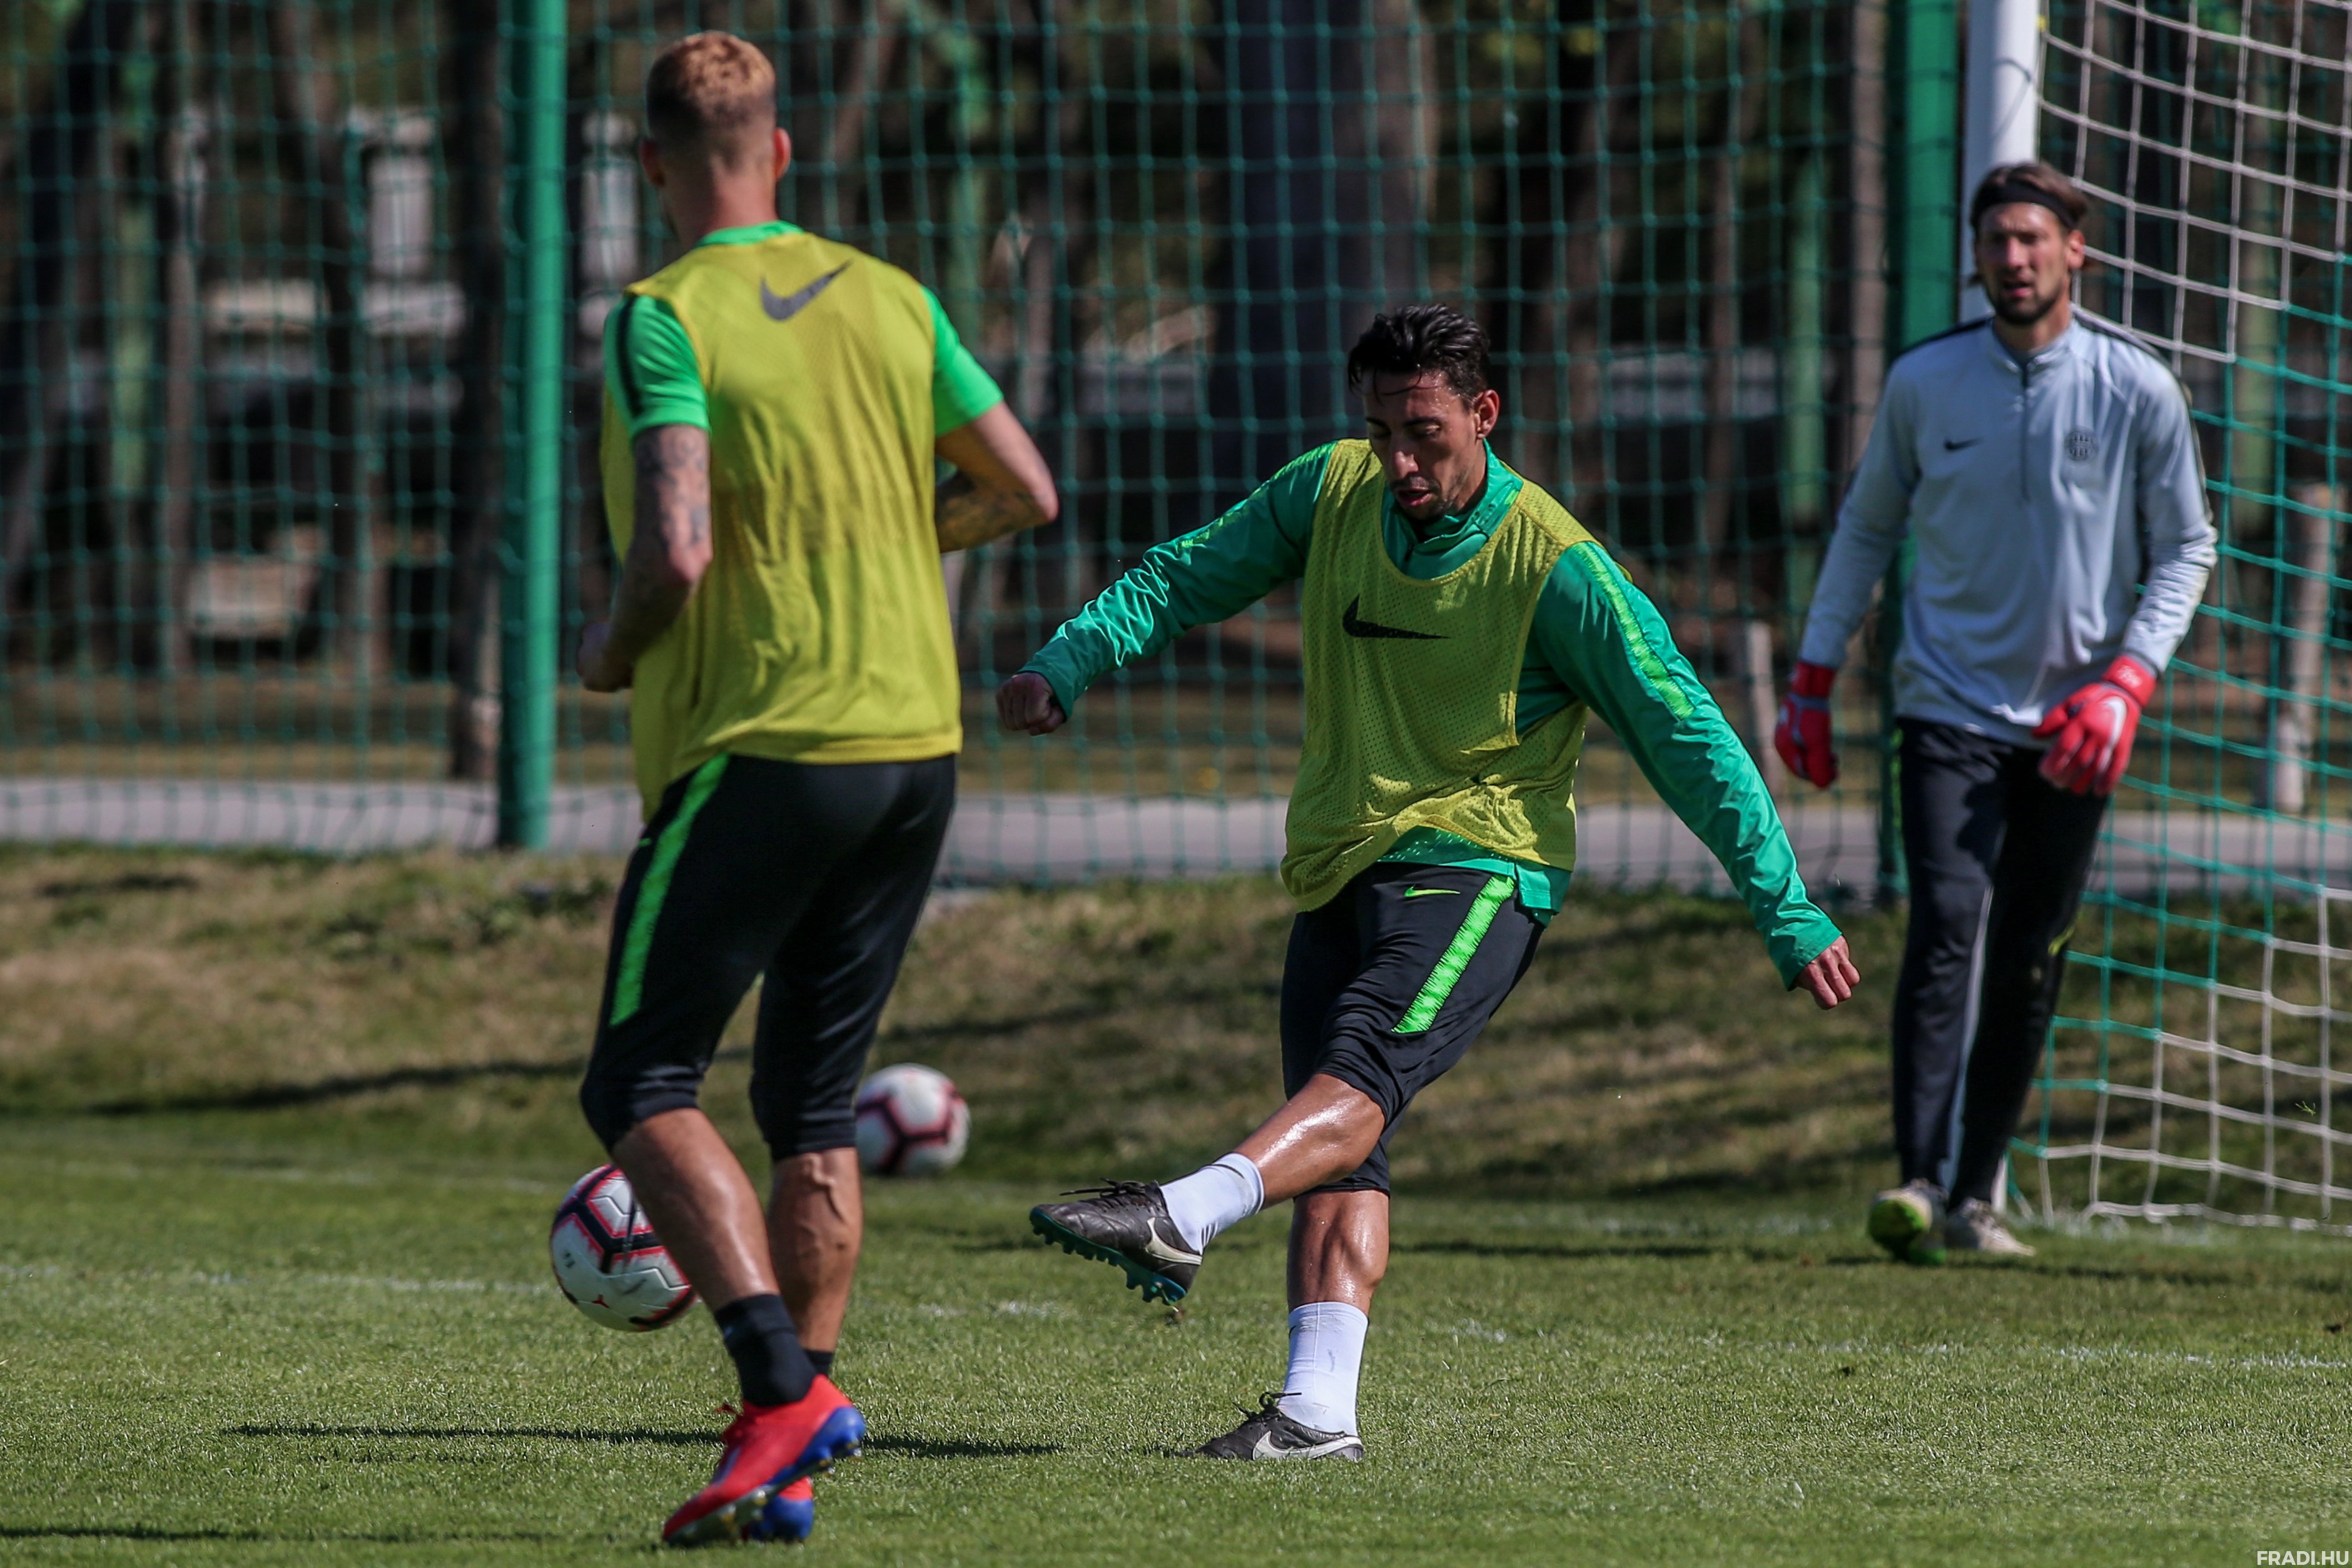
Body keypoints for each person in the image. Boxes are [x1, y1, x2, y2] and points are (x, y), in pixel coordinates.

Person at [1000, 303, 1858, 1461]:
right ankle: (1316, 1415)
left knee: (1358, 1070)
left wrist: (1784, 904)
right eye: (1380, 431)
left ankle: (1181, 1213)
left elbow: (1687, 734)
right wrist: (1070, 659)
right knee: (1338, 1138)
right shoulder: (1330, 491)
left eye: (1424, 433)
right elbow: (1187, 574)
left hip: (1482, 864)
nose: (1398, 460)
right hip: (1339, 859)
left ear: (1483, 415)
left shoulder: (1555, 566)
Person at [572, 32, 1057, 1545]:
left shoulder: (663, 315)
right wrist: (893, 536)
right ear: (779, 151)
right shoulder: (893, 297)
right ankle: (794, 1432)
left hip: (766, 745)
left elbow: (678, 546)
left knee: (638, 1084)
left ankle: (777, 1388)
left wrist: (610, 649)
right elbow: (1023, 489)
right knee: (806, 1101)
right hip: (913, 748)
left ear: (651, 164)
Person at [1776, 161, 2214, 1265]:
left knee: (2030, 951)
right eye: (1994, 241)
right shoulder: (1927, 381)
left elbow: (2188, 547)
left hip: (2081, 725)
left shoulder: (2136, 387)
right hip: (1946, 705)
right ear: (1975, 258)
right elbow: (1867, 527)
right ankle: (1918, 1183)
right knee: (1943, 929)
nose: (2012, 258)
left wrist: (2128, 682)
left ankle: (1977, 1195)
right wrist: (1815, 672)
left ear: (2076, 252)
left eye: (2031, 238)